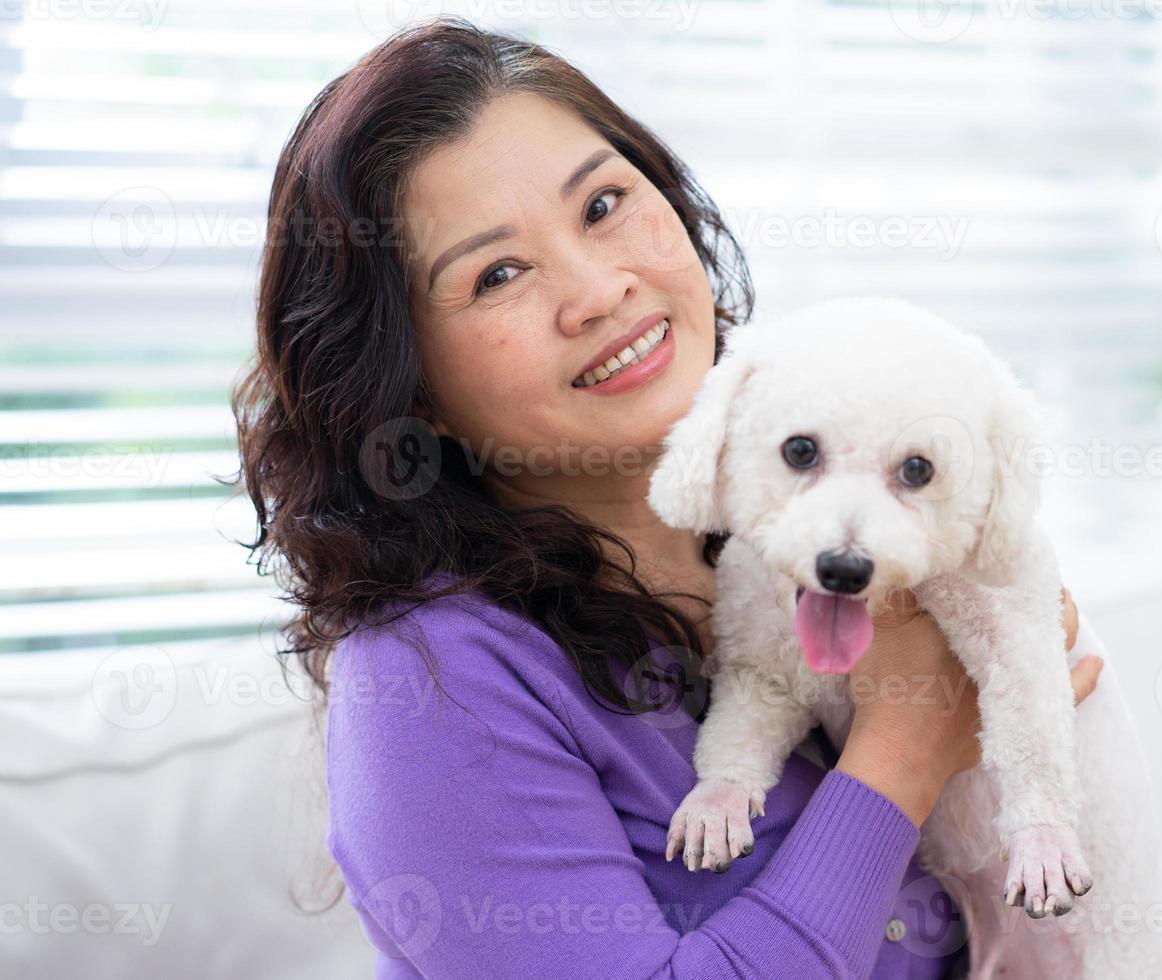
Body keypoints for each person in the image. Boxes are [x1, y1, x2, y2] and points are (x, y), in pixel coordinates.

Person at [233, 19, 1104, 979]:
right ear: (412, 393)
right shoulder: (429, 679)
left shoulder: (811, 491)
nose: (600, 290)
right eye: (498, 275)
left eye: (604, 204)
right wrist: (903, 750)